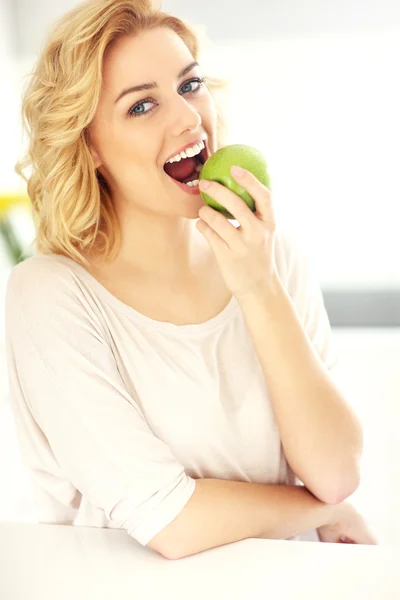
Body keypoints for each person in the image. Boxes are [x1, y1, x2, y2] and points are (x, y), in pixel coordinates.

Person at [5, 0, 377, 560]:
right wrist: (318, 511)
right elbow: (166, 518)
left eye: (190, 84)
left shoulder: (272, 259)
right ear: (89, 147)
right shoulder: (50, 296)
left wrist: (257, 287)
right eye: (142, 105)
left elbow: (336, 470)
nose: (186, 118)